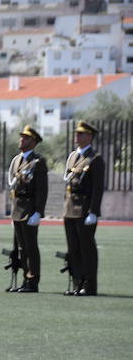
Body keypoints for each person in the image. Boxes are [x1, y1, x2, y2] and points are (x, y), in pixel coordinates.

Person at [62, 121, 105, 296]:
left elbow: (97, 187)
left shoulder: (95, 159)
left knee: (86, 248)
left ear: (89, 137)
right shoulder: (73, 156)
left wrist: (93, 211)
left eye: (81, 134)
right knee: (73, 248)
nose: (76, 136)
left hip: (85, 208)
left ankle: (89, 285)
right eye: (76, 133)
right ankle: (77, 283)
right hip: (70, 208)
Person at [7, 125, 48, 293]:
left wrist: (38, 211)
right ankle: (25, 278)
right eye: (21, 136)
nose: (21, 139)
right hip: (18, 208)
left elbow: (42, 188)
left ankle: (33, 280)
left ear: (33, 141)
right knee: (21, 247)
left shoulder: (38, 162)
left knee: (31, 246)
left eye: (25, 137)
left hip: (30, 209)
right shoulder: (17, 160)